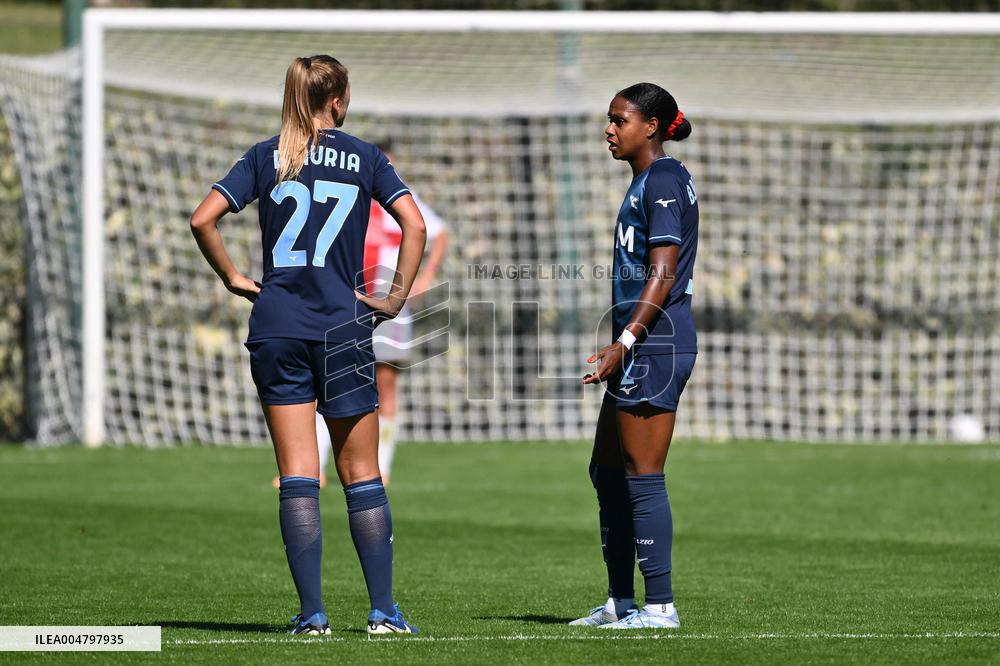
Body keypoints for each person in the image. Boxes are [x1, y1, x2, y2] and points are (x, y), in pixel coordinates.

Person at [190, 55, 426, 636]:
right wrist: (394, 298)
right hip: (342, 325)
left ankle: (313, 616)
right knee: (362, 473)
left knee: (298, 473)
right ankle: (382, 612)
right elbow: (415, 226)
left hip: (276, 324)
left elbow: (202, 220)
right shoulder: (366, 157)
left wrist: (234, 279)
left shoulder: (267, 154)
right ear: (339, 100)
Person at [572, 82, 698, 630]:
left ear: (650, 126)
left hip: (656, 339)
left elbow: (663, 272)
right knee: (606, 469)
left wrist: (625, 342)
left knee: (643, 473)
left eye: (619, 120)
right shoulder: (645, 181)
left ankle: (660, 607)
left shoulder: (665, 179)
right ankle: (621, 602)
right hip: (638, 340)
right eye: (609, 118)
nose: (610, 128)